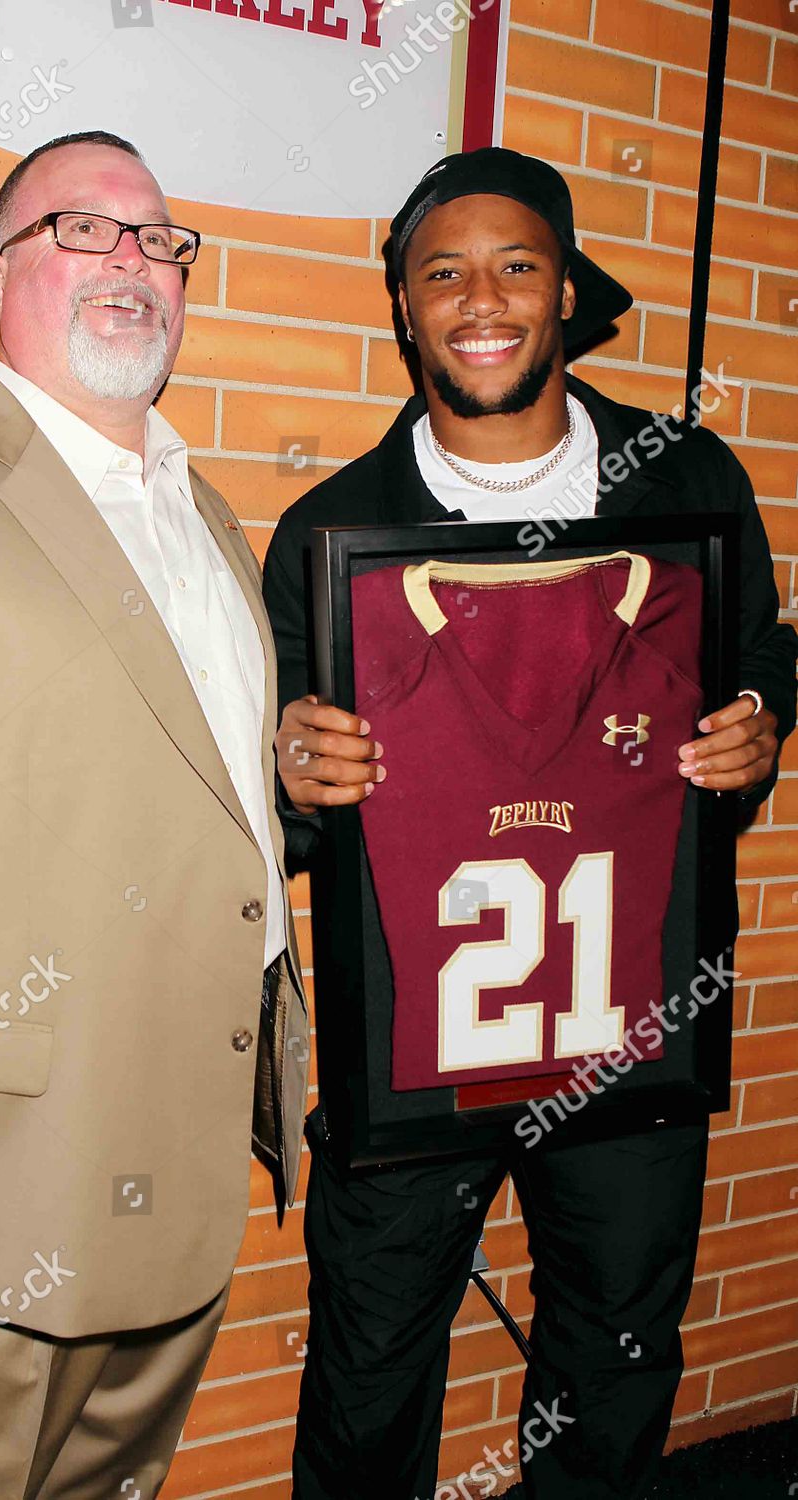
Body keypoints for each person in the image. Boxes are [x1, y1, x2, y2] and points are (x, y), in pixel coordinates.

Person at [262, 147, 798, 1500]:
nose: (481, 298)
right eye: (443, 273)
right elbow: (294, 793)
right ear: (404, 307)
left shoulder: (687, 484)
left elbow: (760, 658)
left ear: (566, 291)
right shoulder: (333, 532)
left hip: (630, 1033)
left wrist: (757, 727)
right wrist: (296, 781)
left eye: (516, 265)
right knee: (370, 1369)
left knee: (613, 1368)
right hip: (419, 1048)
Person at [0, 129, 308, 1500]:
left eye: (156, 237)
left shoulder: (206, 512)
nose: (130, 260)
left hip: (183, 1152)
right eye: (80, 230)